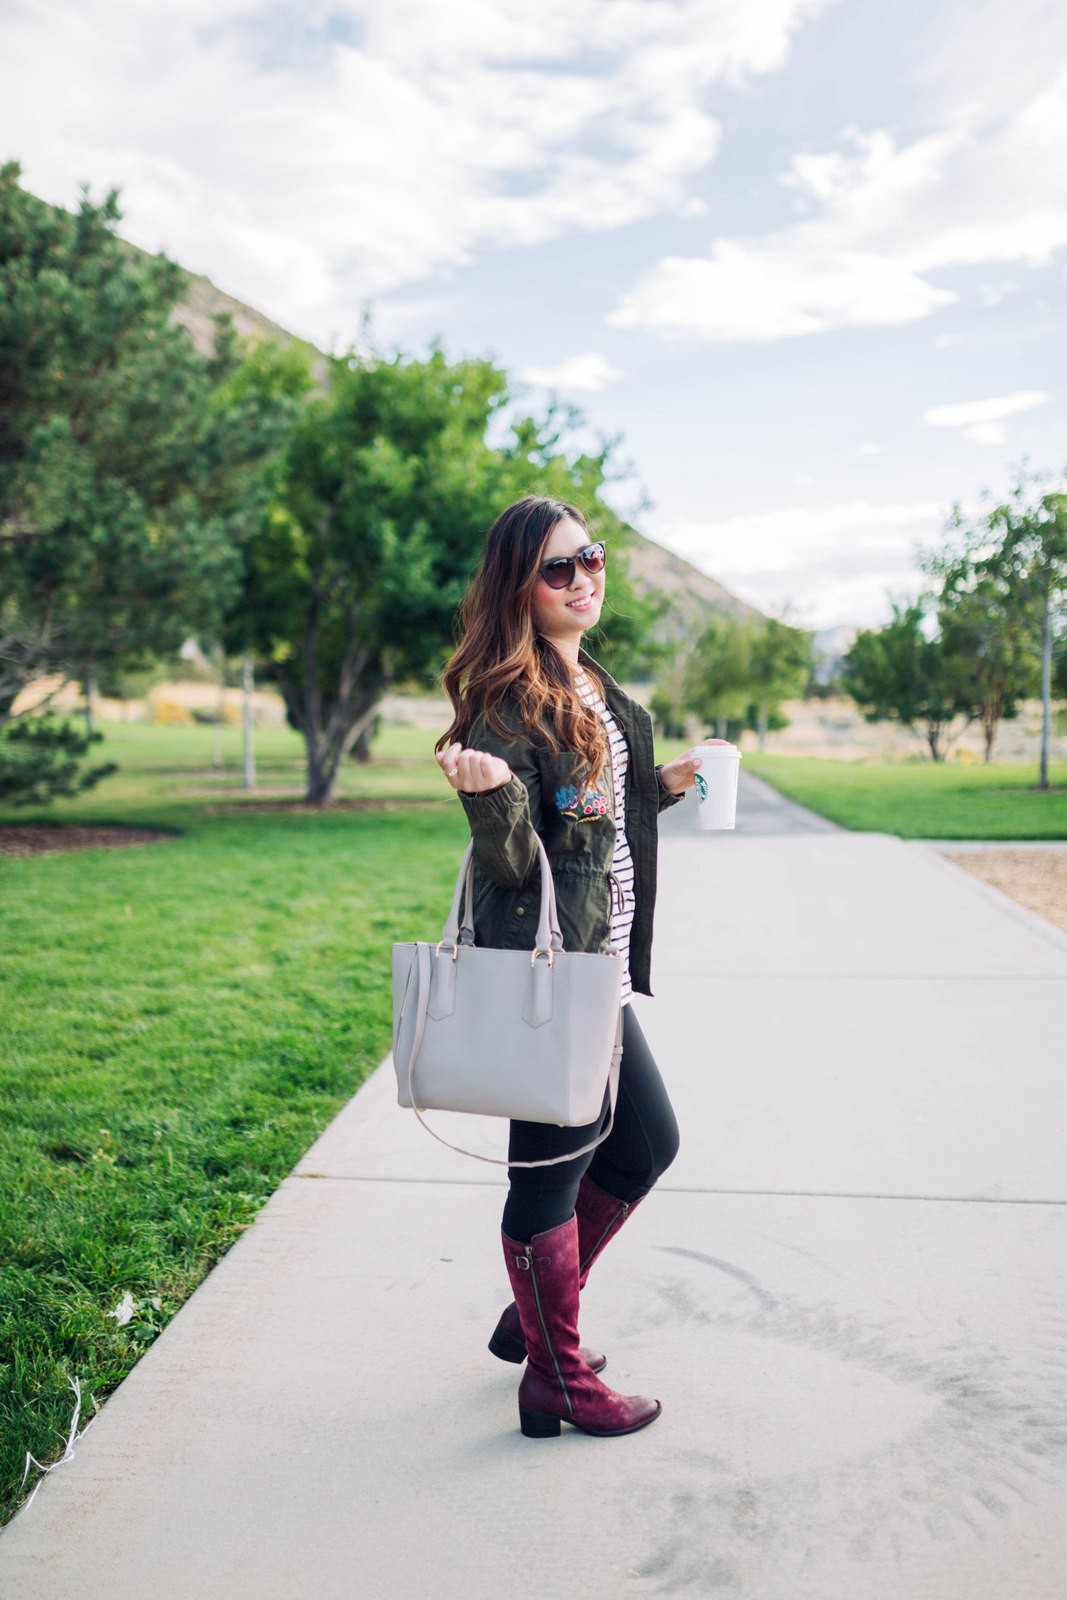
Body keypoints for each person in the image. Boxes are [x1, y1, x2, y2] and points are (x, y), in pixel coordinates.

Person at [435, 495, 721, 1439]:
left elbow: (590, 818)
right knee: (548, 1175)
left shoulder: (588, 683)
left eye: (590, 559)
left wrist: (663, 786)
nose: (583, 579)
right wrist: (487, 799)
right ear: (517, 584)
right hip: (548, 981)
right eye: (559, 568)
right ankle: (555, 1375)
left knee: (643, 1146)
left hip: (597, 974)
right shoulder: (505, 702)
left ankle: (538, 1333)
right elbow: (518, 867)